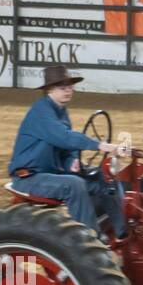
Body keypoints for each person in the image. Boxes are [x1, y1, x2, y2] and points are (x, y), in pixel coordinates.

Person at [7, 65, 129, 238]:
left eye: (70, 87)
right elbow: (63, 137)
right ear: (49, 89)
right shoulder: (41, 111)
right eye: (62, 87)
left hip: (51, 173)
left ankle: (122, 231)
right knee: (74, 185)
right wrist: (100, 145)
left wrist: (71, 161)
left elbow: (65, 148)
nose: (68, 91)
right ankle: (91, 239)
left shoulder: (61, 112)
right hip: (29, 176)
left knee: (104, 177)